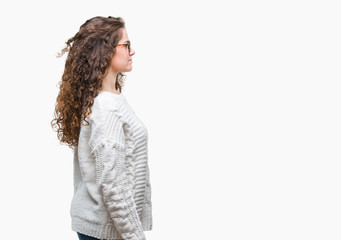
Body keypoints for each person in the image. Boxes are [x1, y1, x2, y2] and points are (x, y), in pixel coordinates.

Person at [51, 16, 153, 240]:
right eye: (125, 45)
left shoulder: (109, 99)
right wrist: (135, 236)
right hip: (104, 231)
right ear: (105, 51)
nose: (131, 51)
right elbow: (113, 186)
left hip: (105, 227)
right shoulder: (105, 107)